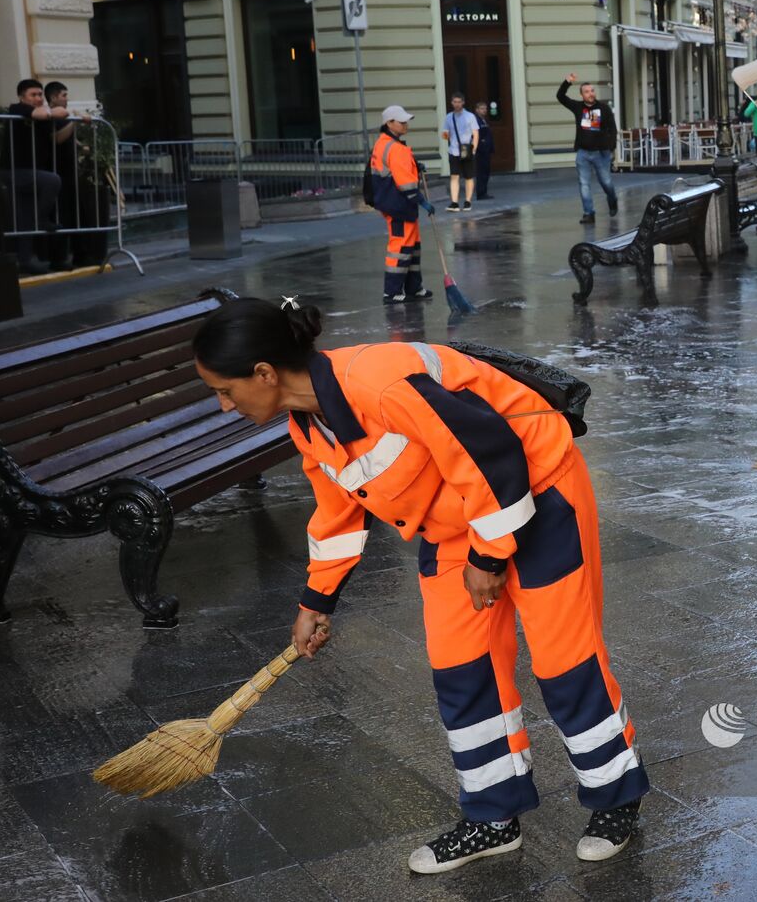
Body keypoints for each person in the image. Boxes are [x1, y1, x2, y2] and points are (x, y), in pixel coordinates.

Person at [191, 298, 649, 873]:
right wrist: (315, 601)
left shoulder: (379, 385)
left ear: (263, 372)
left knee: (564, 661)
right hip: (456, 522)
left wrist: (488, 556)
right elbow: (336, 514)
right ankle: (492, 817)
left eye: (225, 390)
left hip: (537, 492)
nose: (223, 404)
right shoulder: (309, 427)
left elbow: (493, 453)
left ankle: (616, 798)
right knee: (462, 669)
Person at [0, 79, 67, 274]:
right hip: (13, 171)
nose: (38, 98)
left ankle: (25, 260)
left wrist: (75, 121)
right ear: (22, 97)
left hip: (30, 173)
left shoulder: (43, 118)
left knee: (24, 217)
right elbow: (45, 113)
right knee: (52, 180)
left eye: (40, 94)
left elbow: (56, 138)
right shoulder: (17, 109)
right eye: (33, 95)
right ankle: (41, 219)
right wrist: (57, 112)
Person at [369, 105, 435, 305]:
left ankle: (414, 287)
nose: (405, 125)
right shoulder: (394, 148)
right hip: (398, 204)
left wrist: (415, 164)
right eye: (401, 121)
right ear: (389, 123)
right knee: (399, 248)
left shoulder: (384, 143)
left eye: (406, 121)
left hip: (396, 203)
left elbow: (396, 168)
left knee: (412, 246)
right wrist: (422, 201)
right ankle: (392, 291)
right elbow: (404, 181)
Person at [44, 80, 94, 271]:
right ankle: (59, 257)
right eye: (63, 95)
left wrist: (80, 146)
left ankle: (81, 253)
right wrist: (75, 120)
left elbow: (67, 137)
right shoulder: (50, 117)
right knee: (61, 213)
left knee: (76, 212)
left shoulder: (64, 116)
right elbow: (57, 138)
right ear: (54, 97)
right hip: (57, 172)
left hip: (69, 171)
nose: (66, 99)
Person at [557, 73, 618, 224]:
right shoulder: (578, 107)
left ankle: (612, 200)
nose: (591, 94)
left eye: (592, 91)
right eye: (587, 92)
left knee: (606, 183)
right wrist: (567, 82)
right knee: (584, 183)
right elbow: (560, 96)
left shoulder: (604, 109)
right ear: (582, 95)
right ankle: (588, 213)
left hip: (601, 153)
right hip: (583, 153)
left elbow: (612, 129)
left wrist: (611, 148)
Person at [440, 93, 479, 212]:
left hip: (467, 149)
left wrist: (474, 149)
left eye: (459, 102)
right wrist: (447, 136)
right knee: (454, 176)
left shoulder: (470, 116)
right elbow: (445, 134)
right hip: (453, 150)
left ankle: (467, 201)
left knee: (468, 177)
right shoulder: (448, 117)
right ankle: (454, 202)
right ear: (451, 103)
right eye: (454, 102)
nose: (456, 104)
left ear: (463, 102)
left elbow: (476, 133)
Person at [473, 101, 495, 200]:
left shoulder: (483, 120)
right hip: (480, 151)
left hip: (485, 150)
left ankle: (484, 192)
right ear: (477, 110)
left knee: (486, 172)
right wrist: (481, 145)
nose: (484, 110)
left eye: (485, 108)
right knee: (481, 173)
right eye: (482, 108)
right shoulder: (476, 121)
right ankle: (481, 193)